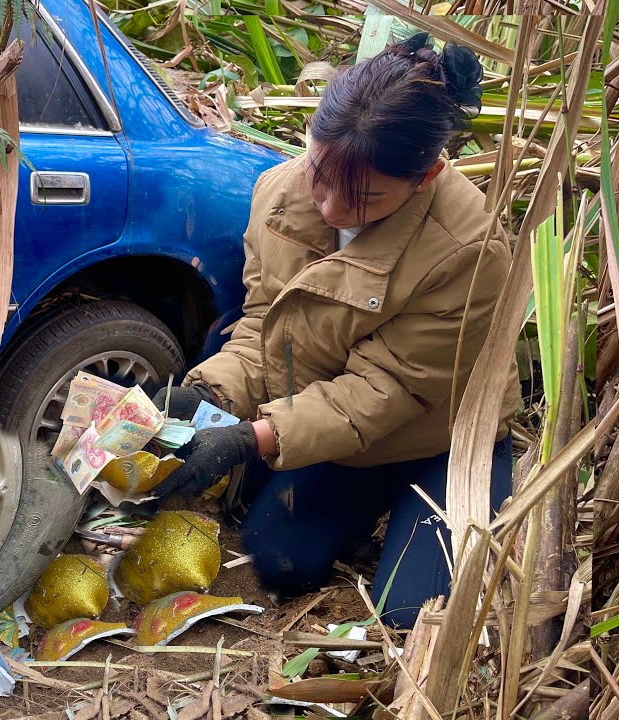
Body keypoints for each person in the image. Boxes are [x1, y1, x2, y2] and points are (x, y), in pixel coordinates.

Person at [152, 33, 519, 628]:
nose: (328, 209)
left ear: (426, 176)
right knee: (280, 563)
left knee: (410, 613)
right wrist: (208, 394)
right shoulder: (278, 192)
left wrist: (253, 439)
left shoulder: (467, 250)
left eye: (364, 199)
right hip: (335, 432)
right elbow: (263, 331)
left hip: (440, 440)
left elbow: (387, 390)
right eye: (319, 174)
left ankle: (437, 513)